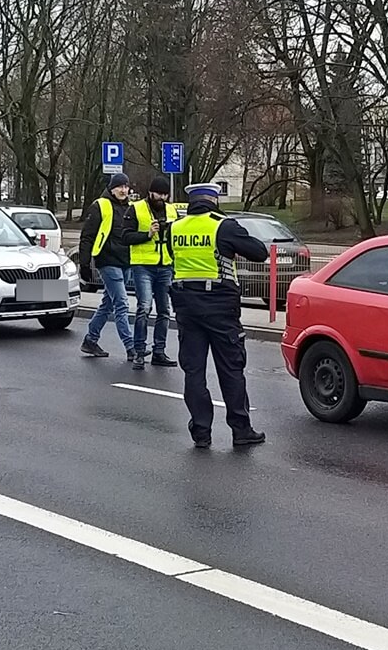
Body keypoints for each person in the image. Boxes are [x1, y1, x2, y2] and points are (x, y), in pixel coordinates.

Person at [168, 181, 270, 449]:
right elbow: (259, 253)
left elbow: (173, 258)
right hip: (219, 305)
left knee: (194, 370)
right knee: (231, 368)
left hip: (186, 306)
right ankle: (241, 429)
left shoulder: (175, 228)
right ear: (214, 200)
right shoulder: (222, 226)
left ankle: (201, 432)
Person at [77, 173, 142, 362]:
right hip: (107, 261)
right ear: (112, 188)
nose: (123, 190)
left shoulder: (131, 207)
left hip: (126, 261)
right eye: (119, 187)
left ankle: (90, 340)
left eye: (126, 187)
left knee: (108, 304)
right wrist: (85, 263)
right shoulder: (100, 205)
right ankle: (131, 348)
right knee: (121, 303)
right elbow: (87, 236)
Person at [127, 176, 182, 372]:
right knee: (144, 307)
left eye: (165, 194)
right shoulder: (135, 208)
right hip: (143, 264)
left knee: (164, 310)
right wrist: (147, 234)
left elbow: (177, 236)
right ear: (150, 192)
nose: (162, 197)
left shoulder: (171, 210)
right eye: (158, 193)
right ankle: (139, 352)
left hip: (165, 264)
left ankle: (159, 351)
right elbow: (125, 237)